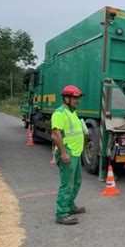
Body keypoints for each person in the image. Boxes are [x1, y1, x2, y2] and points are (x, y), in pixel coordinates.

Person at [51, 85, 87, 225]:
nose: (77, 100)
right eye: (75, 98)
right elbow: (56, 133)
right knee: (67, 184)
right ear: (67, 98)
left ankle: (70, 206)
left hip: (75, 153)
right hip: (68, 153)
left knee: (76, 182)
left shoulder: (72, 112)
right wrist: (64, 153)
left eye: (78, 98)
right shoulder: (59, 113)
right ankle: (61, 214)